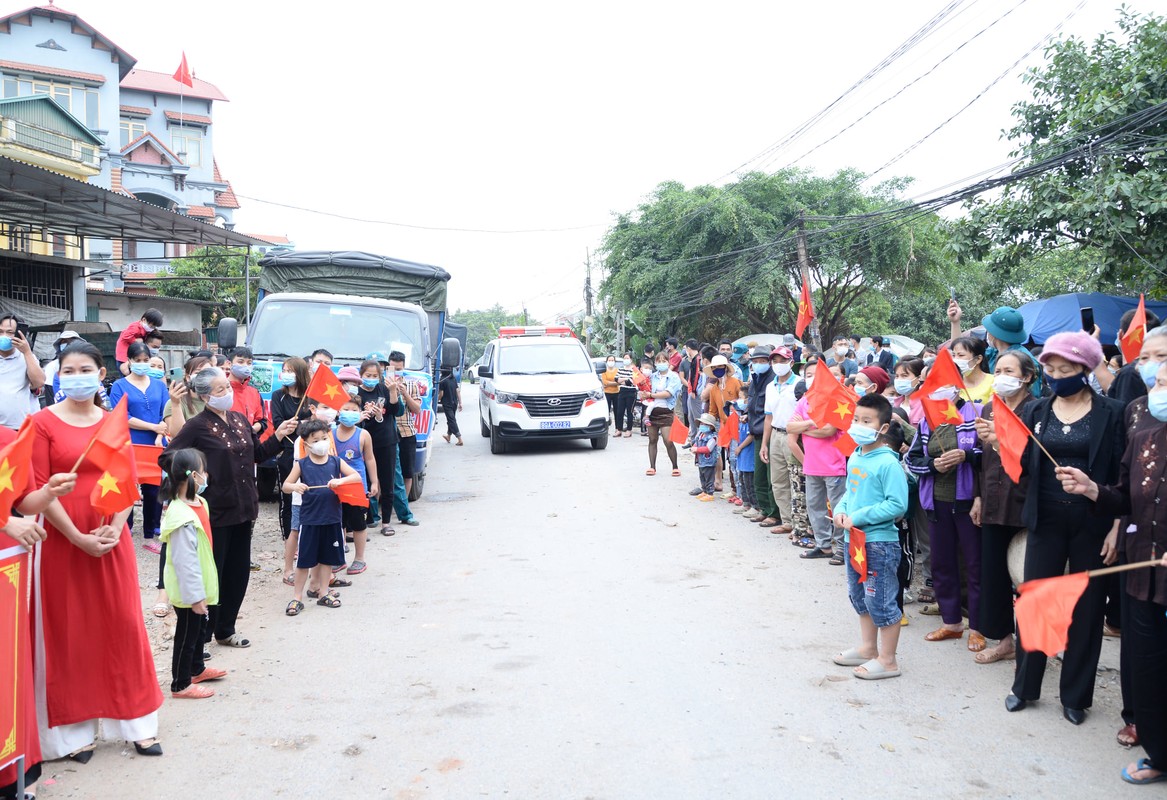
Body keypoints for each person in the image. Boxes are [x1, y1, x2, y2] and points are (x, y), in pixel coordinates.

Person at [27, 341, 165, 760]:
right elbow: (37, 489)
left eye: (84, 369)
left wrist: (114, 528)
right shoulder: (40, 423)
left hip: (110, 536)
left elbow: (127, 482)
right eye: (67, 371)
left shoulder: (112, 422)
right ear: (57, 376)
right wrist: (77, 537)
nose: (76, 377)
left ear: (101, 374)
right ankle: (73, 733)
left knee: (122, 625)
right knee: (69, 632)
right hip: (62, 540)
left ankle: (136, 722)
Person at [1006, 331, 1126, 725]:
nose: (1056, 375)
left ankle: (1075, 696)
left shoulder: (1113, 412)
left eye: (1066, 369)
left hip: (1094, 523)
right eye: (1050, 368)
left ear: (1086, 369)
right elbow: (1022, 465)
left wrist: (1117, 525)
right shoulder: (1037, 410)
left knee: (1087, 609)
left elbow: (1124, 476)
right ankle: (1025, 686)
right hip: (1047, 520)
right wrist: (998, 443)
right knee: (1036, 601)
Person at [1057, 362, 1167, 785]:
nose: (1156, 390)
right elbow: (1125, 497)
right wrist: (1091, 489)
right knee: (1148, 666)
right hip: (1142, 571)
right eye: (1157, 381)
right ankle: (1158, 752)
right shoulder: (1145, 438)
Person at [166, 366, 299, 649]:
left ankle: (226, 629)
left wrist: (278, 436)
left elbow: (258, 454)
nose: (226, 392)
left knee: (238, 573)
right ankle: (201, 637)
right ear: (204, 396)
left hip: (244, 507)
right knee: (214, 574)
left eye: (227, 386)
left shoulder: (238, 419)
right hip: (215, 510)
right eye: (219, 390)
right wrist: (195, 478)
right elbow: (168, 458)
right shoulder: (197, 426)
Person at [831, 393, 910, 679]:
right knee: (860, 596)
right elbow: (848, 495)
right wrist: (841, 511)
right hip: (854, 541)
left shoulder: (888, 463)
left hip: (879, 543)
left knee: (882, 600)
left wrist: (859, 517)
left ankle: (888, 660)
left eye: (866, 421)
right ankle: (868, 648)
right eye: (856, 419)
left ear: (883, 428)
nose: (858, 425)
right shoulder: (856, 456)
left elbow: (897, 505)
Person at [905, 364, 984, 650]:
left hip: (969, 502)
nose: (938, 389)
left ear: (957, 383)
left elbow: (990, 456)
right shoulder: (927, 419)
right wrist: (934, 465)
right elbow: (913, 460)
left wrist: (968, 455)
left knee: (975, 566)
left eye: (943, 383)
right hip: (936, 502)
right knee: (942, 563)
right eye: (931, 384)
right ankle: (951, 623)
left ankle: (978, 626)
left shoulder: (976, 412)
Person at [972, 350, 1037, 665]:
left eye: (1009, 370)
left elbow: (1032, 458)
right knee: (994, 575)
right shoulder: (988, 408)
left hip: (1025, 503)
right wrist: (978, 497)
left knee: (1027, 577)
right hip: (993, 502)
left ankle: (1032, 644)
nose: (1001, 376)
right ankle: (1005, 640)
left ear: (1027, 376)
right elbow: (983, 461)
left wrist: (999, 440)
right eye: (997, 370)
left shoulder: (1037, 411)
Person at [158, 447, 226, 699]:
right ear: (193, 476)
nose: (207, 475)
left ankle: (197, 669)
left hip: (200, 583)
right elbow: (185, 561)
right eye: (203, 470)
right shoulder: (180, 515)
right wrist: (195, 596)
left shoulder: (200, 503)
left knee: (199, 631)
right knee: (187, 635)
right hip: (189, 589)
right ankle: (180, 683)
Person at [282, 419, 363, 615]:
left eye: (324, 438)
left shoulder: (336, 461)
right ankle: (297, 597)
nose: (321, 442)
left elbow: (356, 476)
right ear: (306, 444)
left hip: (332, 519)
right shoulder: (302, 464)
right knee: (304, 561)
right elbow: (286, 485)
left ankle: (323, 593)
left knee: (327, 559)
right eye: (316, 439)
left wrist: (340, 481)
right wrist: (295, 486)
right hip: (310, 520)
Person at [109, 341, 169, 554]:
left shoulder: (160, 386)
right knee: (127, 487)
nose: (143, 365)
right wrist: (153, 426)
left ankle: (149, 534)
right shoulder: (119, 386)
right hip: (129, 443)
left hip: (156, 444)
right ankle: (125, 530)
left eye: (146, 361)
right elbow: (122, 416)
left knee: (153, 489)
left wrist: (161, 433)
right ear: (129, 361)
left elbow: (166, 412)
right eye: (138, 361)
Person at [787, 358, 848, 560]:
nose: (812, 378)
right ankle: (823, 546)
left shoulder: (836, 400)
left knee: (839, 508)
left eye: (816, 374)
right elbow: (789, 428)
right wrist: (813, 425)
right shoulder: (804, 401)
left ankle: (841, 548)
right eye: (808, 375)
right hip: (811, 465)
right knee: (815, 507)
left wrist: (804, 427)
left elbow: (829, 430)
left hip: (834, 465)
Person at [270, 357, 313, 582]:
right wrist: (300, 424)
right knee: (288, 502)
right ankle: (290, 542)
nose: (286, 374)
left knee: (310, 497)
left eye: (290, 370)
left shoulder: (310, 398)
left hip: (311, 454)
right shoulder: (279, 396)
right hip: (287, 453)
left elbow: (317, 425)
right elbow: (279, 422)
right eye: (284, 370)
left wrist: (307, 422)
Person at [357, 358, 411, 535]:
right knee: (364, 484)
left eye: (375, 375)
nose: (371, 378)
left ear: (380, 376)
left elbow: (396, 411)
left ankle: (386, 523)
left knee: (387, 483)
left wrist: (394, 391)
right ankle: (365, 521)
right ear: (361, 375)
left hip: (387, 442)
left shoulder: (384, 389)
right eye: (368, 375)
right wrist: (363, 413)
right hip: (363, 443)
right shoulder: (356, 393)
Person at [334, 397, 378, 575]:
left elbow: (370, 459)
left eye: (354, 410)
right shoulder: (329, 433)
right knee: (338, 523)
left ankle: (359, 558)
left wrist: (374, 482)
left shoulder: (363, 435)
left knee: (358, 523)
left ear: (360, 413)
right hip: (335, 485)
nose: (349, 413)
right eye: (346, 409)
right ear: (338, 412)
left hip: (356, 488)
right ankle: (338, 558)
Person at [760, 346, 799, 535]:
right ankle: (787, 520)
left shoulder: (800, 384)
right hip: (775, 434)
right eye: (774, 361)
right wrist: (764, 444)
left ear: (791, 362)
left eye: (782, 361)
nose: (778, 365)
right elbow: (768, 416)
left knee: (797, 480)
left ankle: (801, 523)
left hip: (794, 436)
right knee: (778, 480)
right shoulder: (770, 386)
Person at [744, 346, 777, 523]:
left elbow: (769, 412)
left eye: (762, 361)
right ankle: (764, 508)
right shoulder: (755, 379)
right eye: (755, 362)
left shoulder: (773, 380)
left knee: (772, 476)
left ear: (769, 362)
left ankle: (774, 512)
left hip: (770, 431)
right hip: (756, 430)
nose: (758, 364)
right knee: (760, 475)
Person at [1100, 307, 1162, 402]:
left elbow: (1123, 410)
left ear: (1120, 334)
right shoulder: (1159, 366)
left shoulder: (1130, 372)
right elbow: (1115, 391)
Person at [701, 354, 742, 489]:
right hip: (723, 425)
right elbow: (713, 410)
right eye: (715, 367)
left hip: (737, 424)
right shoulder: (713, 389)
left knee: (734, 457)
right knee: (719, 453)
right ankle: (732, 487)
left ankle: (738, 490)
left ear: (725, 367)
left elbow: (743, 400)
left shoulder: (735, 382)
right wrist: (707, 424)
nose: (718, 369)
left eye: (720, 366)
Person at [640, 352, 682, 477]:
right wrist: (643, 394)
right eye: (658, 361)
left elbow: (668, 393)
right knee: (652, 439)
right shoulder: (652, 377)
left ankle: (675, 466)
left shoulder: (674, 377)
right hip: (652, 411)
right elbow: (644, 390)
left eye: (664, 361)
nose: (661, 363)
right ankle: (652, 466)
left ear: (668, 362)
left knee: (667, 440)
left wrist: (651, 395)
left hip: (666, 411)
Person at [0, 314, 45, 429]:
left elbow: (39, 382)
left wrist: (27, 352)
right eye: (0, 332)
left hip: (20, 426)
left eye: (10, 332)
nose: (4, 336)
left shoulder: (26, 357)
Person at [388, 351, 423, 492]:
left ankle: (403, 506)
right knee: (386, 471)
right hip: (388, 433)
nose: (396, 372)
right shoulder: (381, 385)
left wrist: (405, 393)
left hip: (407, 433)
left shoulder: (411, 385)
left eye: (399, 369)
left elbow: (417, 409)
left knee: (407, 473)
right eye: (392, 369)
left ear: (403, 369)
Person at [227, 347, 268, 436]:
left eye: (249, 363)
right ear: (229, 364)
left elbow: (262, 421)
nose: (245, 366)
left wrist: (250, 430)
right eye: (240, 362)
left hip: (249, 443)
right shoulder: (220, 389)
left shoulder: (254, 392)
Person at [730, 387, 757, 515]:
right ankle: (745, 503)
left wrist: (740, 447)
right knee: (743, 479)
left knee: (750, 481)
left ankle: (754, 505)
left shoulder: (751, 416)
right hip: (742, 455)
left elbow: (751, 435)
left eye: (741, 397)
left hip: (748, 454)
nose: (739, 400)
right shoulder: (742, 416)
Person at [115, 308, 163, 375]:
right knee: (125, 372)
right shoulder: (135, 327)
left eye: (154, 327)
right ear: (144, 320)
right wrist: (135, 341)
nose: (152, 329)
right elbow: (125, 336)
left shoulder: (145, 330)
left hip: (131, 352)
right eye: (151, 326)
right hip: (123, 355)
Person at [41, 329, 82, 405]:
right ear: (59, 346)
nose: (68, 345)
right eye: (64, 342)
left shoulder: (86, 365)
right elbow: (50, 394)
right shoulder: (52, 366)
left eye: (72, 342)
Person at [953, 336, 993, 404]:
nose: (956, 359)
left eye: (961, 355)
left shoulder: (993, 382)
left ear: (978, 359)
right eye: (954, 355)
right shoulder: (953, 386)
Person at [692, 412, 719, 500]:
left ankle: (710, 493)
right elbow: (696, 443)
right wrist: (694, 447)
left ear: (711, 426)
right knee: (702, 476)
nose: (702, 425)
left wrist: (697, 450)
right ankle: (704, 490)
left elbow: (708, 449)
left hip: (709, 461)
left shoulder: (712, 437)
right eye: (701, 423)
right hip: (700, 460)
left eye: (704, 424)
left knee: (709, 477)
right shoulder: (700, 434)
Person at [892, 357, 925, 426]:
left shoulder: (924, 406)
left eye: (904, 376)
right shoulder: (896, 403)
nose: (899, 380)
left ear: (919, 378)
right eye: (897, 376)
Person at [615, 352, 638, 438]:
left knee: (629, 412)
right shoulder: (621, 368)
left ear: (631, 359)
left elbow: (631, 382)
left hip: (631, 392)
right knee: (619, 411)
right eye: (625, 358)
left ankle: (629, 430)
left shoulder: (635, 370)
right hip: (622, 391)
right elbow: (616, 379)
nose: (626, 360)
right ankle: (619, 429)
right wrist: (626, 379)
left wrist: (623, 380)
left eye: (627, 358)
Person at [438, 366, 462, 445]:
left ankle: (459, 438)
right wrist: (460, 403)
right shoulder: (453, 378)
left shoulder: (442, 380)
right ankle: (448, 436)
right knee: (451, 419)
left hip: (447, 403)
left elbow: (441, 394)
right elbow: (457, 391)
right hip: (454, 402)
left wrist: (436, 400)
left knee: (451, 420)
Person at [601, 355, 620, 426]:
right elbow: (604, 382)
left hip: (616, 393)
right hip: (607, 393)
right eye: (609, 360)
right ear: (607, 361)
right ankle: (606, 428)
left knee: (617, 411)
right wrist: (615, 383)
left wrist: (610, 383)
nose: (611, 362)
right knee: (606, 411)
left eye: (612, 360)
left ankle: (617, 428)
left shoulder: (617, 371)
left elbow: (619, 382)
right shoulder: (604, 371)